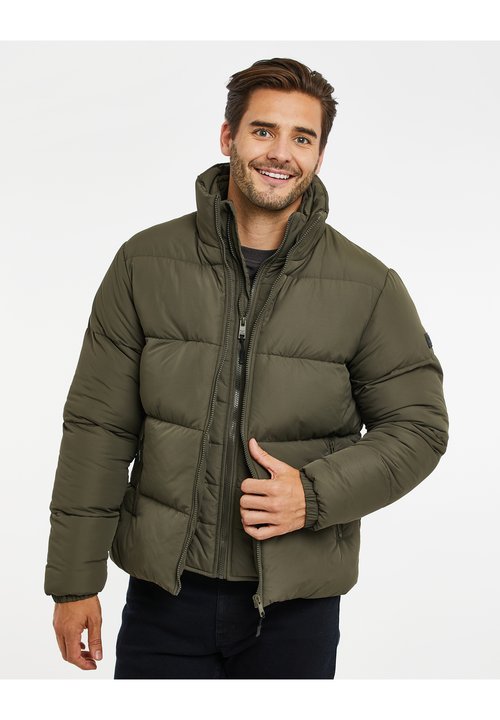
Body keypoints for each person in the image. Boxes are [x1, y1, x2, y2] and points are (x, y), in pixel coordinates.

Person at [44, 57, 449, 679]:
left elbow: (419, 427)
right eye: (264, 131)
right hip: (164, 596)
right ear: (228, 136)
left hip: (295, 607)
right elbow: (99, 427)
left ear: (319, 155)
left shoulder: (368, 286)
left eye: (302, 138)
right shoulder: (144, 263)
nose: (281, 153)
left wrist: (312, 495)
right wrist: (74, 581)